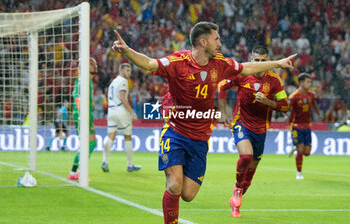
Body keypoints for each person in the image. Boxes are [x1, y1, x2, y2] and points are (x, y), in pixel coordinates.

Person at [112, 21, 296, 224]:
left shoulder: (220, 63)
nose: (220, 43)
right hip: (175, 131)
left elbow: (246, 67)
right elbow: (149, 63)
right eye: (216, 39)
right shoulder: (178, 61)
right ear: (203, 41)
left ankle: (175, 181)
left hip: (200, 138)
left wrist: (278, 63)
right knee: (175, 184)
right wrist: (127, 51)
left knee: (188, 194)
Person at [218, 45, 290, 217]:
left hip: (261, 129)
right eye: (256, 60)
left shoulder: (274, 81)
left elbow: (285, 106)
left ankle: (237, 201)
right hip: (240, 122)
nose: (259, 63)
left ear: (268, 61)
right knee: (246, 156)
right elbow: (221, 85)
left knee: (250, 173)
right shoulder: (242, 73)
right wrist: (222, 112)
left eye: (263, 61)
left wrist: (268, 102)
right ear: (251, 60)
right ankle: (236, 188)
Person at [101, 63, 141, 173]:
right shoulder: (123, 81)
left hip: (111, 111)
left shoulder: (113, 82)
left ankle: (105, 161)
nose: (129, 73)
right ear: (121, 70)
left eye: (130, 70)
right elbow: (123, 98)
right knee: (127, 137)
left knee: (111, 137)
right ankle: (130, 165)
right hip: (121, 111)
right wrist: (132, 112)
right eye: (127, 70)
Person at [67, 58, 98, 180]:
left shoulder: (87, 80)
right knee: (91, 143)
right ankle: (80, 171)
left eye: (95, 64)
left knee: (86, 144)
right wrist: (84, 118)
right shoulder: (83, 80)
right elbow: (77, 97)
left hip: (82, 114)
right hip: (82, 115)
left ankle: (73, 172)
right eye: (91, 64)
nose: (95, 66)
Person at [288, 73, 321, 180]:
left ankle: (295, 146)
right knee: (301, 150)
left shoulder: (311, 95)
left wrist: (318, 114)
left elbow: (313, 105)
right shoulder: (294, 96)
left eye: (310, 82)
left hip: (307, 126)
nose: (310, 84)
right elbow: (288, 109)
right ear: (301, 83)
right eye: (308, 82)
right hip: (296, 126)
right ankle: (299, 173)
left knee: (307, 153)